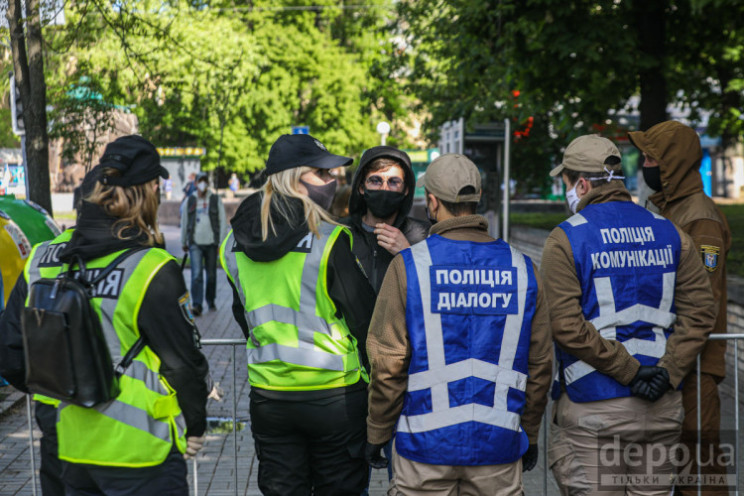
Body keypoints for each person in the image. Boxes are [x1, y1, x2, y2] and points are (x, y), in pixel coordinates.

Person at [0, 135, 210, 496]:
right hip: (140, 453)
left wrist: (56, 396)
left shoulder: (41, 257)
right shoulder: (151, 267)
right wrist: (196, 424)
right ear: (145, 195)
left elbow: (10, 352)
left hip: (69, 443)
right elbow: (183, 365)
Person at [365, 153, 552, 495]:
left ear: (432, 202)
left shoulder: (409, 266)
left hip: (424, 450)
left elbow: (388, 362)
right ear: (475, 200)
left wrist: (377, 431)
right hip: (498, 447)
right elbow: (539, 365)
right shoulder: (523, 268)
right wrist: (531, 432)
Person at [541, 135, 717, 495]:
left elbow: (566, 325)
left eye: (567, 183)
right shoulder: (670, 231)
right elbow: (700, 312)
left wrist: (629, 371)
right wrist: (666, 373)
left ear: (583, 184)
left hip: (594, 407)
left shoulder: (565, 238)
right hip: (661, 406)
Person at [219, 133, 377, 495]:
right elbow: (366, 321)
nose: (333, 182)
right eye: (322, 174)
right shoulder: (329, 239)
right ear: (293, 177)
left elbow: (244, 315)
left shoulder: (233, 244)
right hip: (335, 398)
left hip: (270, 398)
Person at [629, 121, 732, 495]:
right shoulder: (669, 208)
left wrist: (672, 367)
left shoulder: (698, 217)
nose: (646, 164)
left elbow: (703, 301)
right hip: (676, 360)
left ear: (673, 163)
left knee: (700, 467)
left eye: (651, 157)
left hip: (695, 365)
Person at [340, 146, 429, 293]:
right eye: (375, 181)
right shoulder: (340, 233)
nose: (384, 188)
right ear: (361, 187)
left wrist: (408, 254)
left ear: (406, 190)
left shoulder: (424, 235)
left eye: (394, 182)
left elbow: (433, 292)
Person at [180, 171, 227, 316]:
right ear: (195, 184)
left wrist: (221, 241)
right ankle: (197, 304)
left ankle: (211, 300)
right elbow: (184, 221)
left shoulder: (215, 199)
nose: (202, 184)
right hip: (195, 242)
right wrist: (183, 241)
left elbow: (222, 220)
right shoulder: (190, 201)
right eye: (200, 181)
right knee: (196, 275)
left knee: (211, 275)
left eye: (205, 181)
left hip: (212, 242)